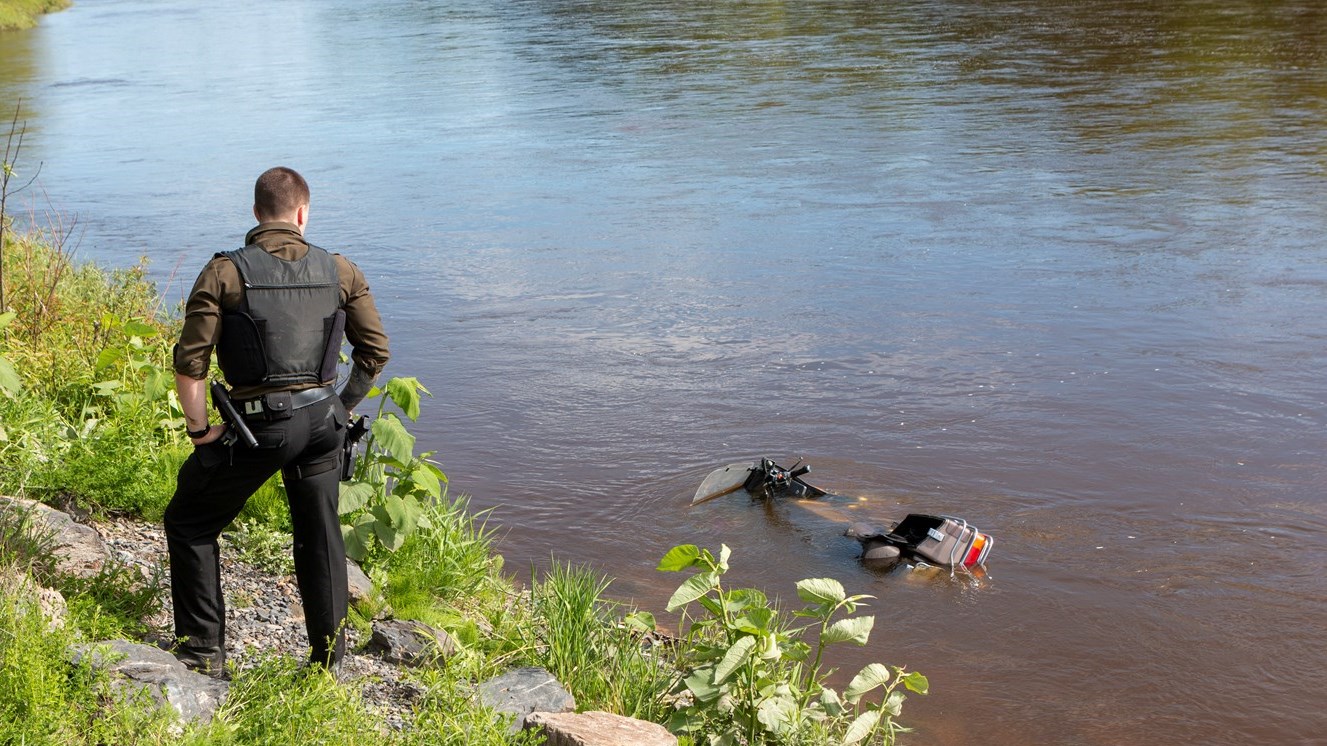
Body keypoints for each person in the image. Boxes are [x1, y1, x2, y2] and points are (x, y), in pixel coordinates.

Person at [164, 167, 390, 677]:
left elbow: (190, 363)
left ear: (256, 213)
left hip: (260, 427)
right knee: (320, 533)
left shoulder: (224, 272)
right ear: (302, 214)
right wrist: (343, 404)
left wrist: (201, 431)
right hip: (323, 423)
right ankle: (327, 663)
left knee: (191, 521)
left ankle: (203, 654)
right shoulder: (341, 271)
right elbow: (375, 352)